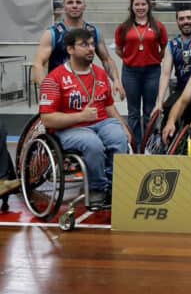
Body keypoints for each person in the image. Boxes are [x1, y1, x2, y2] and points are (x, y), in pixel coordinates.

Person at [39, 28, 131, 207]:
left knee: (118, 137)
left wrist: (123, 126)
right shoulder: (54, 79)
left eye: (91, 44)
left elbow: (109, 106)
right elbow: (47, 119)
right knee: (92, 143)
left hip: (102, 123)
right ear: (70, 49)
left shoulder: (100, 73)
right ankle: (97, 188)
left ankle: (114, 186)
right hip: (69, 129)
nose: (90, 49)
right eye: (84, 45)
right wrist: (81, 116)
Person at [32, 0, 124, 99]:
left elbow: (107, 60)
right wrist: (47, 90)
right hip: (60, 91)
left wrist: (116, 80)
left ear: (84, 6)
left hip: (86, 90)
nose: (74, 6)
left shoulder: (93, 32)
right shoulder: (52, 33)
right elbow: (38, 64)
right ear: (64, 7)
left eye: (78, 2)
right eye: (70, 2)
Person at [114, 0, 168, 145]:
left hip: (152, 71)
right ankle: (135, 145)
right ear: (131, 7)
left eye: (143, 4)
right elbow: (119, 49)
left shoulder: (158, 26)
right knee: (133, 112)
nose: (140, 7)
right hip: (130, 72)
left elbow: (164, 47)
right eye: (137, 4)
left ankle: (149, 144)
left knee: (149, 111)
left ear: (149, 6)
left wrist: (155, 58)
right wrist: (129, 58)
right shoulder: (124, 27)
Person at [152, 5, 191, 132]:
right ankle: (167, 144)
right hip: (182, 89)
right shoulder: (172, 45)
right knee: (168, 108)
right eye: (182, 19)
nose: (186, 22)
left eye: (189, 18)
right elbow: (166, 74)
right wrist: (159, 101)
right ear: (177, 22)